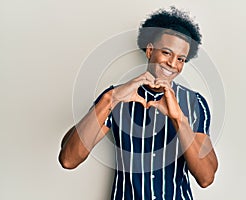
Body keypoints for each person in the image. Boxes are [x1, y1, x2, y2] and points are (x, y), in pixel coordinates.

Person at [59, 6, 218, 200]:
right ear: (150, 50)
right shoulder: (115, 97)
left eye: (181, 59)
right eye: (167, 53)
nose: (173, 64)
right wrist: (110, 99)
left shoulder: (194, 103)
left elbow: (206, 177)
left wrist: (179, 120)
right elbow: (68, 159)